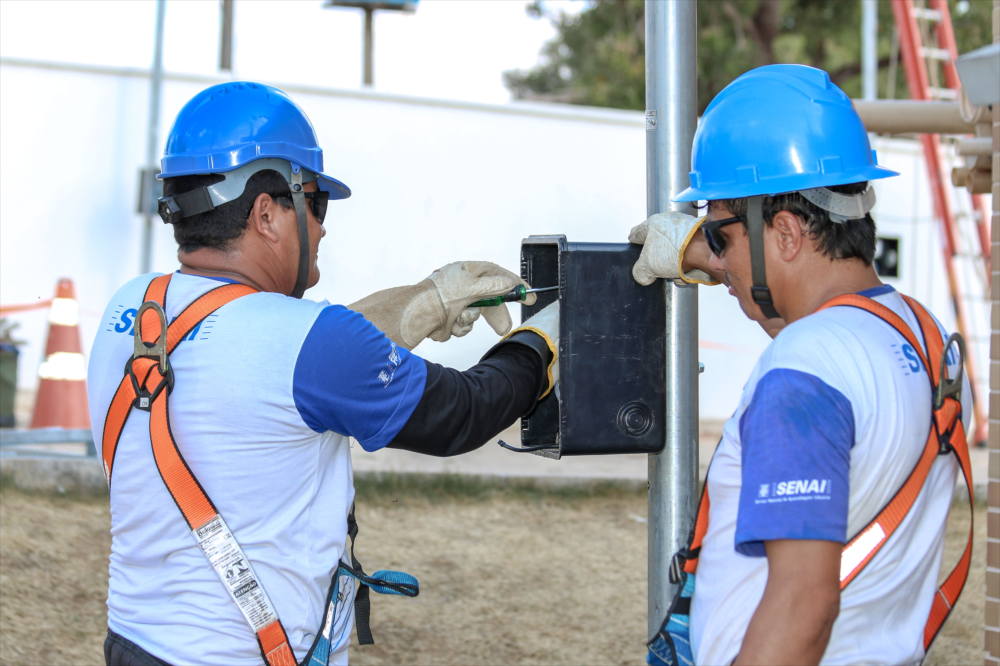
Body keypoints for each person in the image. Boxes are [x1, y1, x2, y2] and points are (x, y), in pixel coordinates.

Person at [88, 81, 559, 666]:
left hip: (134, 640)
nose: (324, 225)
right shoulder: (307, 342)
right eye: (315, 202)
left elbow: (258, 354)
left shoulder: (127, 310)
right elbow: (460, 414)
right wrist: (542, 342)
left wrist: (419, 303)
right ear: (266, 212)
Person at [629, 64, 971, 664]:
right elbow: (816, 321)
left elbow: (802, 606)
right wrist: (704, 253)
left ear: (785, 233)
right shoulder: (922, 335)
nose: (721, 261)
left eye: (721, 236)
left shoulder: (802, 374)